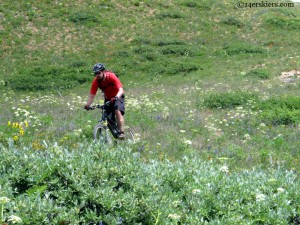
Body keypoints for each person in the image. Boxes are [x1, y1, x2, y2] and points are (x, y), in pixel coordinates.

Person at [84, 63, 125, 140]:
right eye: (95, 74)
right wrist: (87, 105)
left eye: (98, 73)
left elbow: (121, 89)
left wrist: (116, 97)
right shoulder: (96, 82)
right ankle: (112, 135)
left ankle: (121, 132)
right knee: (108, 118)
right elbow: (92, 95)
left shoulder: (111, 76)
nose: (97, 75)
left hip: (118, 96)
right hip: (108, 99)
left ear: (103, 71)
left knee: (117, 111)